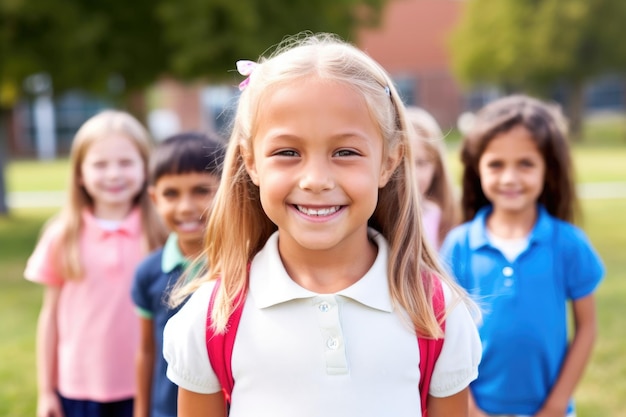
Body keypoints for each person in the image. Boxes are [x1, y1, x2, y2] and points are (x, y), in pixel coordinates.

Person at [162, 32, 481, 417]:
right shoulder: (211, 317)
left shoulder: (436, 312)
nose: (316, 179)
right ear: (251, 161)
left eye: (345, 152)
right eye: (287, 152)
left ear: (389, 161)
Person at [440, 94, 605, 417]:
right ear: (478, 169)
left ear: (547, 168)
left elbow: (587, 328)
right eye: (496, 165)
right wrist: (470, 407)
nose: (510, 178)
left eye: (525, 164)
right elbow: (445, 334)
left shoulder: (568, 243)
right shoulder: (459, 245)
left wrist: (557, 404)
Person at [24, 110, 168, 417]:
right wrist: (46, 391)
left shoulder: (162, 233)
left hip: (147, 384)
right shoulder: (62, 234)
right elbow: (50, 317)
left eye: (126, 162)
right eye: (100, 164)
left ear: (146, 168)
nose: (114, 174)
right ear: (79, 173)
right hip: (78, 388)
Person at [131, 131, 226, 417]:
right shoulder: (148, 272)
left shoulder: (244, 266)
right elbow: (147, 351)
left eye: (201, 191)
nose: (186, 207)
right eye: (171, 194)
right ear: (154, 198)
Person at [405, 106, 459, 249]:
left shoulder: (445, 219)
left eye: (421, 163)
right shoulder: (375, 220)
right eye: (402, 164)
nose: (412, 175)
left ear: (437, 167)